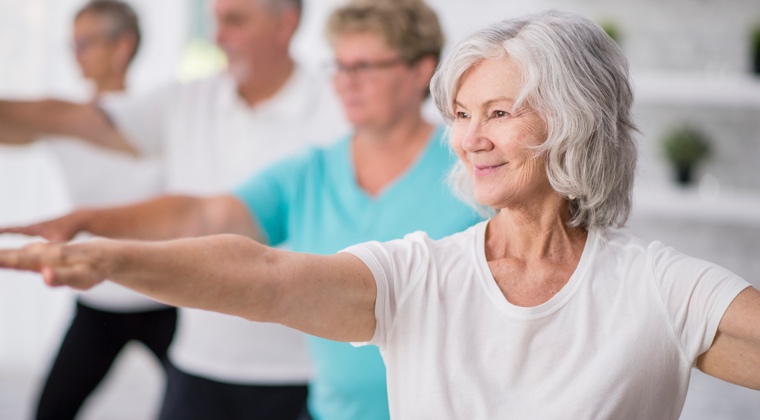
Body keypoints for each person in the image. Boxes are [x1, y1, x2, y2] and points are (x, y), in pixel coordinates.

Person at [2, 8, 758, 420]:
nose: (473, 138)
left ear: (574, 120)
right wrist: (108, 252)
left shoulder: (655, 286)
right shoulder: (421, 269)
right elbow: (262, 273)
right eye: (463, 115)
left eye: (499, 111)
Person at [0, 1, 479, 417]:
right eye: (340, 67)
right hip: (318, 404)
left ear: (421, 71)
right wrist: (92, 228)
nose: (347, 83)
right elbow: (206, 217)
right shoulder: (310, 171)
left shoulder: (472, 170)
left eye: (366, 68)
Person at [0, 2, 175, 420]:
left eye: (86, 42)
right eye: (72, 43)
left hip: (166, 295)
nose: (74, 53)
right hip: (100, 299)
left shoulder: (161, 116)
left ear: (122, 46)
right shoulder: (63, 122)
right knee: (51, 411)